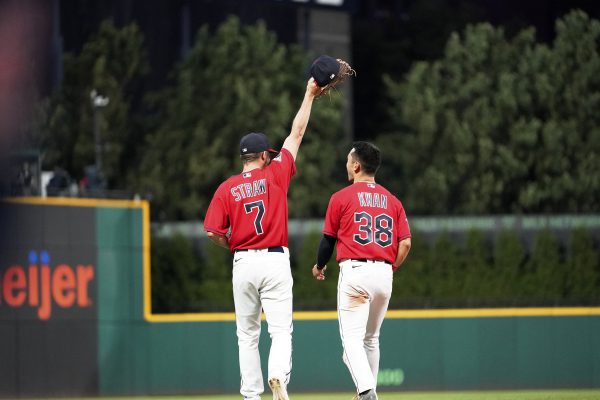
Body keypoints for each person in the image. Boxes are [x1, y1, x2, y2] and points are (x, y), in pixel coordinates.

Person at [204, 77, 323, 400]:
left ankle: (251, 395)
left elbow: (214, 231)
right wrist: (309, 94)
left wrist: (234, 245)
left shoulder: (226, 188)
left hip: (243, 261)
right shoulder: (275, 173)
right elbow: (296, 134)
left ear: (244, 159)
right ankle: (277, 376)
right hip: (274, 259)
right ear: (264, 157)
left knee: (247, 335)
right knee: (280, 330)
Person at [311, 142, 412, 400]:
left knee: (351, 343)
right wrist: (392, 267)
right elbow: (406, 243)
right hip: (384, 274)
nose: (346, 164)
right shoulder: (393, 200)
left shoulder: (341, 197)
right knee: (371, 339)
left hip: (355, 272)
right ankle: (368, 391)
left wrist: (320, 265)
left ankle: (367, 392)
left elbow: (327, 241)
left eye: (348, 160)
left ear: (356, 166)